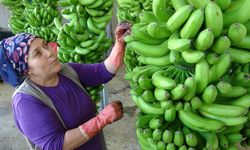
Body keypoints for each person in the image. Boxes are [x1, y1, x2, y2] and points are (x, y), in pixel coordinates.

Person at [0, 22, 131, 150]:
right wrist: (101, 120)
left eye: (45, 45)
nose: (49, 52)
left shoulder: (67, 71)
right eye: (38, 53)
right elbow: (55, 145)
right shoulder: (25, 101)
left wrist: (119, 43)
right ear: (26, 70)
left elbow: (103, 71)